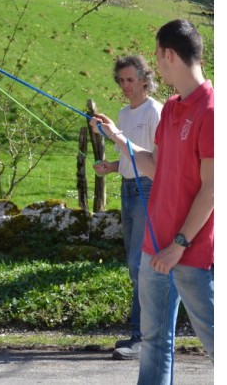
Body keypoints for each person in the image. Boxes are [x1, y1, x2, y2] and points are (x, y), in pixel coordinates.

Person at [90, 19, 213, 384]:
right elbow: (155, 166)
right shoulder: (173, 107)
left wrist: (179, 244)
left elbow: (212, 188)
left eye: (157, 56)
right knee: (155, 343)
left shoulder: (211, 110)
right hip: (153, 249)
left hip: (191, 254)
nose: (156, 65)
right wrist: (116, 137)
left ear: (169, 54)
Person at [93, 55, 162, 361]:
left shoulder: (155, 110)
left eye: (130, 80)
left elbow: (154, 159)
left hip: (148, 190)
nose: (125, 86)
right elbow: (129, 153)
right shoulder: (123, 113)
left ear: (145, 80)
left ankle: (141, 337)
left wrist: (115, 137)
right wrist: (112, 165)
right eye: (121, 80)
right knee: (136, 266)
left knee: (139, 265)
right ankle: (141, 332)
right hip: (127, 189)